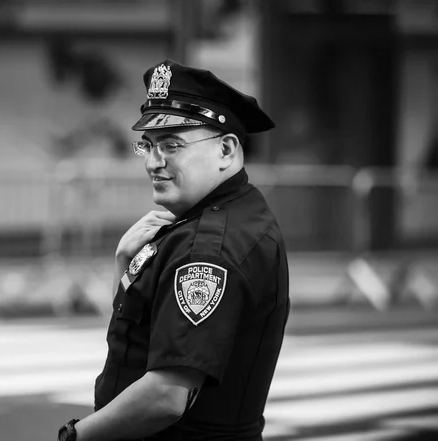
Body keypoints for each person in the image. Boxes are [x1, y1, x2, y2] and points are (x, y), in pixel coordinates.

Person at [57, 60, 290, 441]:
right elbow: (140, 342)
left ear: (227, 151)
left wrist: (75, 437)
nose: (153, 162)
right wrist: (124, 262)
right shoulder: (223, 214)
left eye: (172, 145)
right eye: (147, 145)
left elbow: (166, 395)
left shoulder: (207, 247)